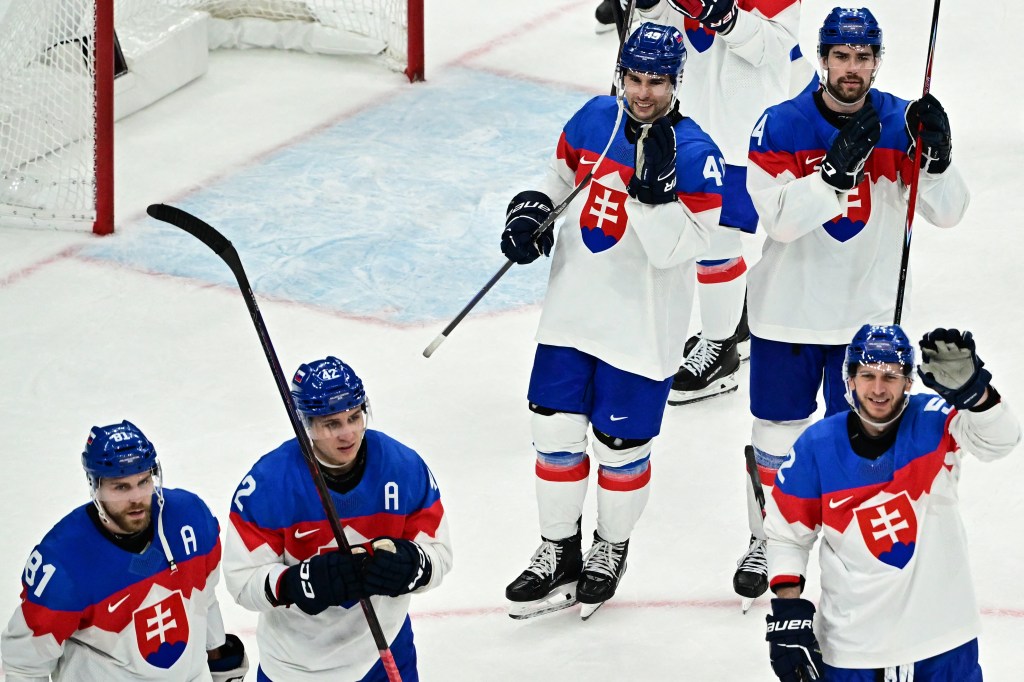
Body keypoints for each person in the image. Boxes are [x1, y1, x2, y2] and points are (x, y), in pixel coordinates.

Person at [737, 6, 970, 605]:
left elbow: (947, 212)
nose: (851, 68)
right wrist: (834, 173)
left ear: (876, 61)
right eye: (840, 56)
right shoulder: (782, 124)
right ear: (822, 58)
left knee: (865, 436)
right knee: (777, 434)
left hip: (865, 321)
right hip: (787, 312)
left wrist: (937, 162)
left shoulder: (900, 121)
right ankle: (771, 536)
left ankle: (856, 531)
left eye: (863, 57)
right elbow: (779, 221)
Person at [500, 21, 723, 620]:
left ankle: (610, 547)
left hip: (641, 331)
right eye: (633, 77)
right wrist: (532, 210)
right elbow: (560, 178)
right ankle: (558, 548)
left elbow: (684, 249)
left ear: (676, 81)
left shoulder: (698, 154)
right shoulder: (593, 119)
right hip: (571, 313)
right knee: (553, 433)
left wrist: (651, 201)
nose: (643, 92)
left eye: (656, 81)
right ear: (619, 74)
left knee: (620, 445)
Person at [763, 324, 1020, 681]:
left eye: (891, 376)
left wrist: (976, 396)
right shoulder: (815, 446)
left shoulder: (936, 418)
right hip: (853, 650)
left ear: (909, 382)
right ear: (848, 380)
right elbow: (786, 536)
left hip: (944, 641)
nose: (879, 388)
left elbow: (1001, 441)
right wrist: (788, 609)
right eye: (867, 375)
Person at [222, 356, 452, 681]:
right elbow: (242, 581)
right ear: (306, 424)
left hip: (384, 649)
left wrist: (414, 565)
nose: (348, 434)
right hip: (296, 667)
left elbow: (439, 554)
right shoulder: (268, 485)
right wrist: (296, 583)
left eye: (355, 417)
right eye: (332, 423)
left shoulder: (403, 467)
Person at [628, 0, 805, 408]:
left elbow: (773, 47)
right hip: (689, 115)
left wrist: (723, 16)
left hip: (740, 129)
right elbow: (663, 24)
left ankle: (721, 348)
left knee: (716, 241)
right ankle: (732, 324)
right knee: (704, 230)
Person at [0, 421, 248, 681]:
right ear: (95, 486)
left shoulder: (191, 519)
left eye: (143, 481)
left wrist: (219, 660)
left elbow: (204, 599)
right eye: (121, 487)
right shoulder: (64, 563)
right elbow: (25, 665)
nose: (137, 498)